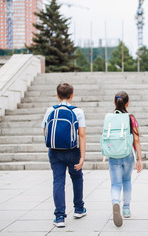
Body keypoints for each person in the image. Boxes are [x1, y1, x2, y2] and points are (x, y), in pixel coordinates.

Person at [41, 83, 87, 228]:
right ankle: (79, 209)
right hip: (73, 151)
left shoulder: (50, 111)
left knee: (58, 182)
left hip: (55, 152)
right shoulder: (78, 112)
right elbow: (82, 134)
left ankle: (60, 216)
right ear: (72, 95)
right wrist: (82, 157)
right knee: (77, 177)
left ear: (57, 95)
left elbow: (45, 131)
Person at [108, 91, 143, 227]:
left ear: (114, 102)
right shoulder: (131, 117)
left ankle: (115, 202)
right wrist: (139, 158)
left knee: (115, 183)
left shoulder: (110, 117)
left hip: (113, 154)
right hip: (128, 154)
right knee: (127, 180)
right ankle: (126, 208)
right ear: (127, 103)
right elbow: (136, 139)